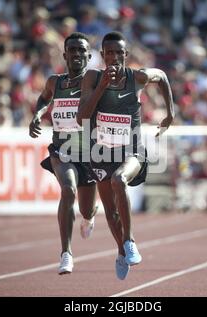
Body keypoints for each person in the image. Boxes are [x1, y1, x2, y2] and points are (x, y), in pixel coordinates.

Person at [77, 31, 174, 280]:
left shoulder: (137, 77)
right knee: (110, 211)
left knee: (119, 180)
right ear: (102, 56)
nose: (114, 57)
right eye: (109, 53)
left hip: (131, 151)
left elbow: (162, 76)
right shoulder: (92, 77)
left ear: (125, 55)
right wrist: (101, 88)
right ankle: (120, 250)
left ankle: (129, 241)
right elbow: (82, 117)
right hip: (100, 153)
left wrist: (170, 113)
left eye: (119, 53)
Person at [29, 32, 97, 275]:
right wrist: (38, 114)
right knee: (68, 190)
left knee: (86, 209)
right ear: (65, 54)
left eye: (82, 51)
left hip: (90, 154)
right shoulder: (54, 82)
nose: (77, 54)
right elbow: (44, 99)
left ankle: (89, 217)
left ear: (88, 56)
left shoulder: (95, 81)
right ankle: (66, 253)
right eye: (73, 50)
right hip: (62, 150)